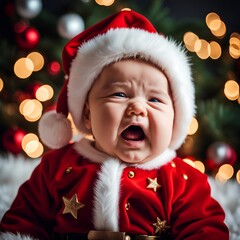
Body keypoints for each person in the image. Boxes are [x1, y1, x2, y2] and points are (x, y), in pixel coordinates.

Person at [0, 9, 229, 240]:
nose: (137, 108)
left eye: (154, 99)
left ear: (175, 118)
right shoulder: (57, 168)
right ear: (88, 114)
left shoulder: (184, 180)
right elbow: (21, 224)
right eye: (119, 94)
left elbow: (207, 231)